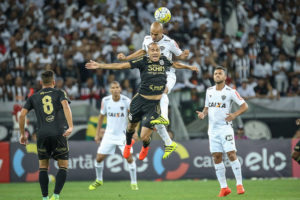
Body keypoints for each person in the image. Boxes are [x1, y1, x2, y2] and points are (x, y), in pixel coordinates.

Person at [86, 42, 198, 160]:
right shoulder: (143, 61)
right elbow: (121, 66)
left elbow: (175, 64)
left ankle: (145, 147)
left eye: (157, 50)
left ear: (160, 52)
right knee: (130, 128)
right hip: (139, 101)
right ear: (148, 52)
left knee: (144, 136)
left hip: (153, 105)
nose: (155, 52)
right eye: (152, 50)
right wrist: (100, 65)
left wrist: (189, 67)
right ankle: (128, 144)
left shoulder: (164, 61)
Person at [117, 22, 189, 152]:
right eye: (151, 33)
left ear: (162, 33)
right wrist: (127, 57)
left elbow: (180, 55)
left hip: (167, 74)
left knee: (163, 91)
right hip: (151, 74)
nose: (153, 36)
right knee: (154, 113)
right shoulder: (147, 39)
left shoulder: (170, 42)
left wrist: (185, 54)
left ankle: (165, 118)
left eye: (156, 34)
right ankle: (168, 142)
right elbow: (143, 51)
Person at [19, 70, 73, 200]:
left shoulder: (33, 97)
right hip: (58, 133)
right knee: (63, 166)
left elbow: (21, 115)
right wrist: (71, 126)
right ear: (54, 82)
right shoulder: (60, 93)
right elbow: (65, 106)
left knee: (43, 167)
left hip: (42, 134)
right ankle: (56, 195)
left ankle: (44, 198)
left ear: (40, 82)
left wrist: (22, 134)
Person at [196, 66, 248, 197]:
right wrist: (203, 114)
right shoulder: (209, 91)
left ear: (225, 77)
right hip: (212, 131)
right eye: (215, 73)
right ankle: (224, 187)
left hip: (225, 128)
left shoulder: (231, 91)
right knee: (217, 157)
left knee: (231, 154)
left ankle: (239, 184)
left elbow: (245, 105)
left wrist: (234, 115)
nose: (217, 75)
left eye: (220, 74)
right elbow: (207, 107)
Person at [88, 81, 138, 191]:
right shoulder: (105, 101)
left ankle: (134, 183)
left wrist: (134, 131)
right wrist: (97, 134)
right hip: (109, 135)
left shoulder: (126, 101)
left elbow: (133, 117)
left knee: (129, 158)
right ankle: (99, 180)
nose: (115, 89)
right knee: (99, 158)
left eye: (117, 87)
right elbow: (101, 117)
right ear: (110, 90)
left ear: (120, 89)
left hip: (123, 135)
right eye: (113, 87)